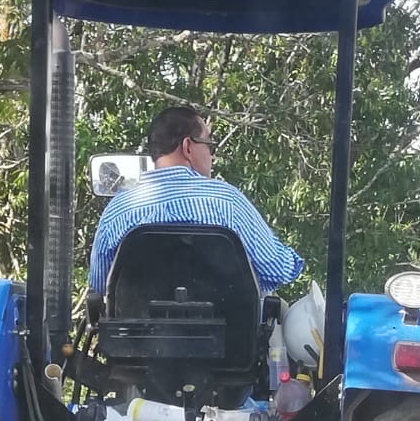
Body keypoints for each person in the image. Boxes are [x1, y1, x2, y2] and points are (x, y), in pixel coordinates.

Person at [89, 104, 304, 295]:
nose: (212, 155)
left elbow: (99, 285)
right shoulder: (227, 202)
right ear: (188, 147)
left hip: (135, 340)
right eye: (209, 145)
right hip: (225, 340)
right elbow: (278, 271)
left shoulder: (118, 210)